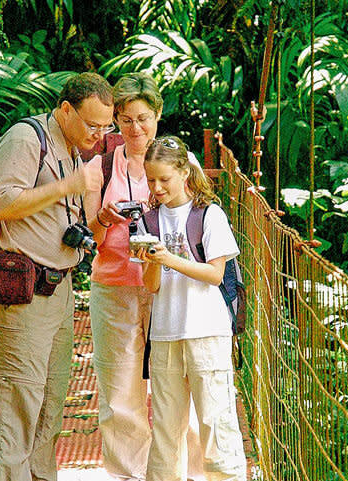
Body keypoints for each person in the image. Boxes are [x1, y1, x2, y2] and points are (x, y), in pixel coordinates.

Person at [0, 71, 114, 481]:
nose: (98, 134)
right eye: (92, 124)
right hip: (20, 292)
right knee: (16, 404)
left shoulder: (72, 147)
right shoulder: (26, 138)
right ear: (65, 110)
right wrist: (68, 185)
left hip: (56, 290)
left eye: (105, 126)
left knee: (49, 403)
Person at [82, 73, 204, 480]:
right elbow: (88, 236)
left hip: (169, 288)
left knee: (178, 387)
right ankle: (129, 475)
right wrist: (103, 218)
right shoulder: (100, 165)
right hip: (114, 287)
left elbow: (204, 227)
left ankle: (187, 473)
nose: (136, 129)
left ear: (158, 115)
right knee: (119, 393)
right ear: (115, 119)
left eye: (144, 118)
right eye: (126, 119)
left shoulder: (183, 165)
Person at [134, 136, 247, 481]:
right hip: (166, 332)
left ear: (184, 173)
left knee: (216, 421)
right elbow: (152, 285)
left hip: (207, 331)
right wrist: (152, 261)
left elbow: (215, 274)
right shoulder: (148, 221)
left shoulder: (209, 215)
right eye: (151, 179)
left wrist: (169, 257)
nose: (157, 187)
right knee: (166, 428)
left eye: (164, 179)